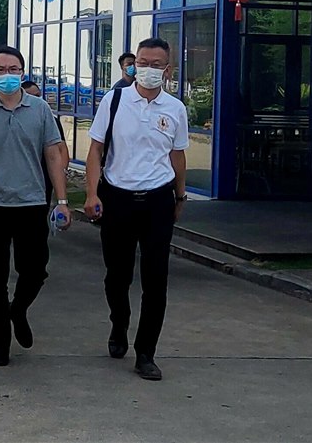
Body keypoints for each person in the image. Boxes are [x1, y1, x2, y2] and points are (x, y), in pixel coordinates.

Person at [84, 37, 188, 381]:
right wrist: (92, 194)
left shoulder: (175, 108)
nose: (147, 69)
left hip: (158, 200)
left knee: (156, 280)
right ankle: (119, 322)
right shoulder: (115, 100)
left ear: (167, 70)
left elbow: (177, 155)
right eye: (142, 63)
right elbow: (96, 150)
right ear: (132, 65)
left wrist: (180, 196)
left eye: (156, 64)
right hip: (118, 199)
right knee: (117, 276)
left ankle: (146, 353)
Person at [0, 47, 70, 367]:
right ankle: (1, 343)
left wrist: (62, 201)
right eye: (0, 69)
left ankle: (19, 309)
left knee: (35, 270)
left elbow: (53, 155)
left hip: (31, 203)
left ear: (22, 73)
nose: (7, 75)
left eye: (13, 69)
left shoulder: (40, 109)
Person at [22, 80, 69, 206]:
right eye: (31, 96)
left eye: (38, 95)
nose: (36, 100)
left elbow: (62, 149)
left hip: (44, 177)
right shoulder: (14, 120)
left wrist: (62, 172)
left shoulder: (51, 120)